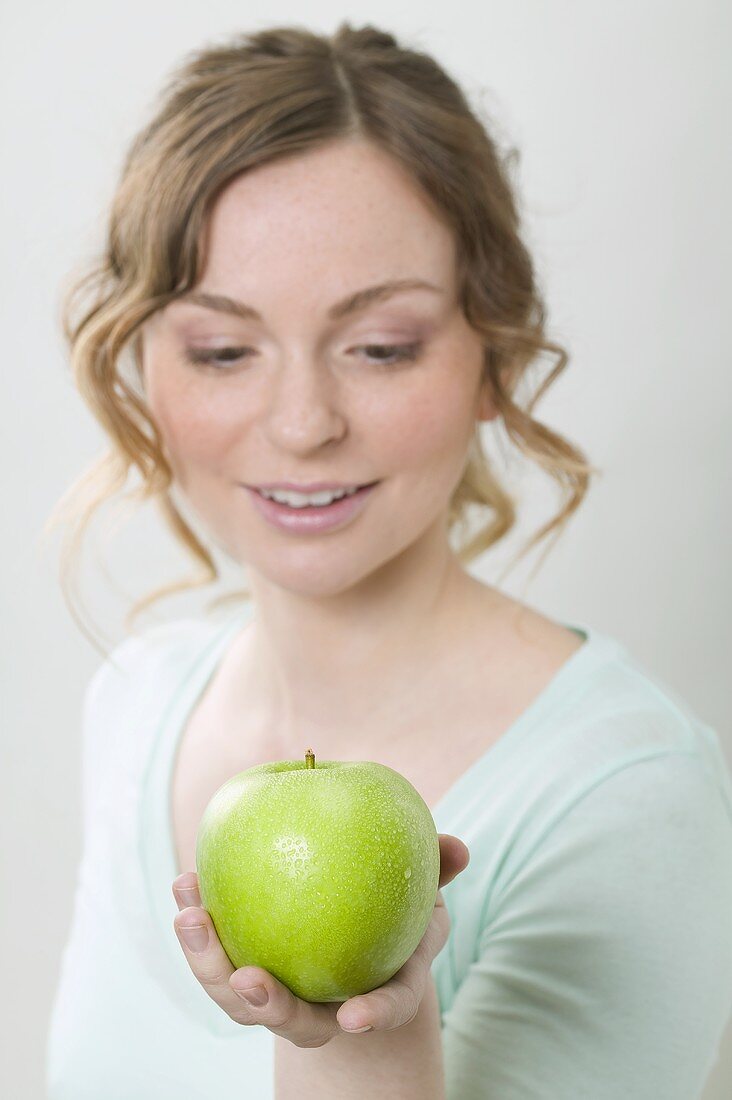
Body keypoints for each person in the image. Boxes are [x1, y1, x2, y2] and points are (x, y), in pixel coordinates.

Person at [45, 22, 732, 1100]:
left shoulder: (630, 792)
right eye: (224, 350)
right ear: (146, 364)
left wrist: (369, 1037)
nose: (305, 422)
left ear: (492, 358)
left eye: (381, 346)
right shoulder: (135, 703)